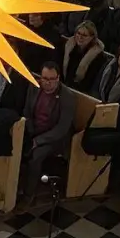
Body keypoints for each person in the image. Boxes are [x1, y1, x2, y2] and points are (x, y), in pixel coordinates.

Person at [19, 62, 75, 194]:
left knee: (36, 156)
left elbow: (62, 128)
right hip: (34, 130)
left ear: (58, 78)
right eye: (44, 78)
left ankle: (29, 194)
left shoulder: (67, 97)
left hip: (54, 138)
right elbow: (27, 111)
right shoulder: (34, 86)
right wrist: (29, 131)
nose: (47, 83)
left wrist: (38, 141)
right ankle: (14, 187)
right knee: (14, 145)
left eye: (51, 79)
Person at [60, 22, 105, 94]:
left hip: (81, 90)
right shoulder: (69, 46)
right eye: (78, 33)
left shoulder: (99, 56)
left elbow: (91, 80)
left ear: (92, 37)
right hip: (64, 84)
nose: (80, 37)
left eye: (84, 35)